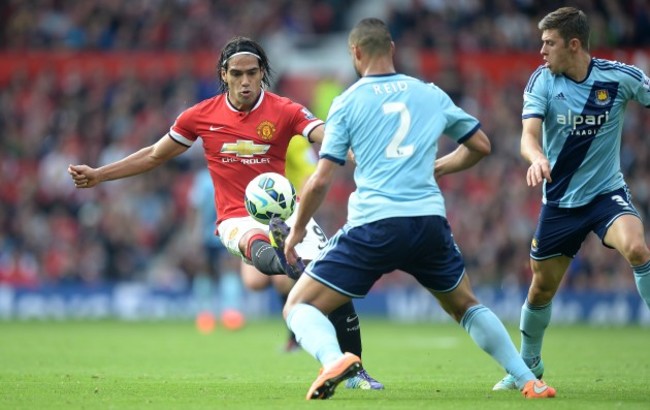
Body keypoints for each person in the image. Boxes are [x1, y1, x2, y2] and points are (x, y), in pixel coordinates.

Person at [67, 36, 382, 390]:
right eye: (237, 74)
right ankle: (289, 263)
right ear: (224, 74)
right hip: (235, 217)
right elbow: (155, 154)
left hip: (288, 215)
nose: (245, 81)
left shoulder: (286, 110)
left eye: (252, 73)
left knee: (337, 291)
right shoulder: (200, 115)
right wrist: (99, 175)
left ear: (263, 73)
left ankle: (357, 374)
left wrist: (362, 157)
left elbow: (325, 135)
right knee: (257, 246)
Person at [270, 17, 556, 400]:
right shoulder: (430, 93)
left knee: (298, 304)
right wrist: (438, 166)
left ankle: (333, 359)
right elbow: (481, 146)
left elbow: (321, 179)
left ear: (355, 53)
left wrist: (298, 229)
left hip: (373, 226)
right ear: (391, 48)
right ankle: (528, 379)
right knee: (466, 306)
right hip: (428, 223)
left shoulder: (347, 101)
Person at [492, 6, 650, 390]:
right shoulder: (542, 81)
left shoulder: (619, 78)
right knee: (541, 288)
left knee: (638, 249)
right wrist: (537, 156)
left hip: (605, 194)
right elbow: (528, 136)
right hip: (560, 203)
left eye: (549, 43)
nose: (541, 51)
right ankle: (529, 363)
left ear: (573, 44)